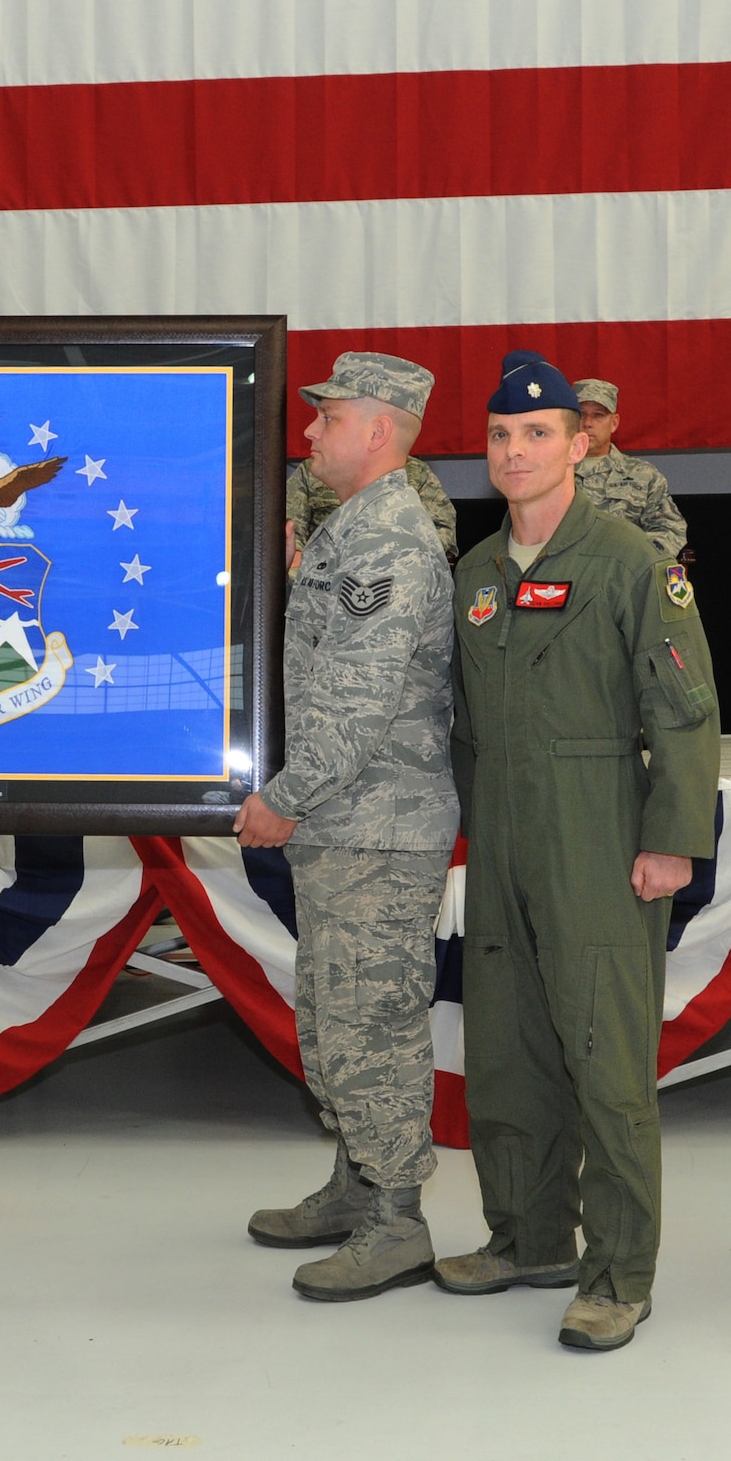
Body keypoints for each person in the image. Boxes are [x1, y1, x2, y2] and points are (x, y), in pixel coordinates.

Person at [437, 351, 720, 1352]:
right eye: (499, 437)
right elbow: (463, 727)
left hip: (597, 833)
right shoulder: (473, 573)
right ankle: (525, 1237)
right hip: (504, 837)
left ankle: (616, 1274)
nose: (513, 451)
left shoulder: (627, 562)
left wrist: (672, 843)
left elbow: (682, 712)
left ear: (578, 442)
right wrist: (470, 829)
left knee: (604, 1063)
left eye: (536, 434)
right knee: (506, 1052)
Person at [234, 353, 459, 1302]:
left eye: (328, 418)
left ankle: (397, 1218)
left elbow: (355, 705)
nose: (311, 433)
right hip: (348, 826)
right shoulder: (348, 532)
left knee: (373, 1022)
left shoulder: (388, 544)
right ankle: (355, 1181)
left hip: (376, 824)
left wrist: (282, 794)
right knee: (331, 1018)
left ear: (379, 430)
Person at [569, 378, 687, 557]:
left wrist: (634, 561)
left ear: (614, 423)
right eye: (581, 414)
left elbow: (670, 529)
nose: (588, 423)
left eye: (598, 415)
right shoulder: (551, 472)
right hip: (563, 575)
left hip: (622, 575)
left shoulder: (643, 475)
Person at [287, 454, 458, 567]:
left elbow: (440, 538)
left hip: (394, 574)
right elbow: (290, 539)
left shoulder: (416, 472)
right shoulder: (313, 470)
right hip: (321, 578)